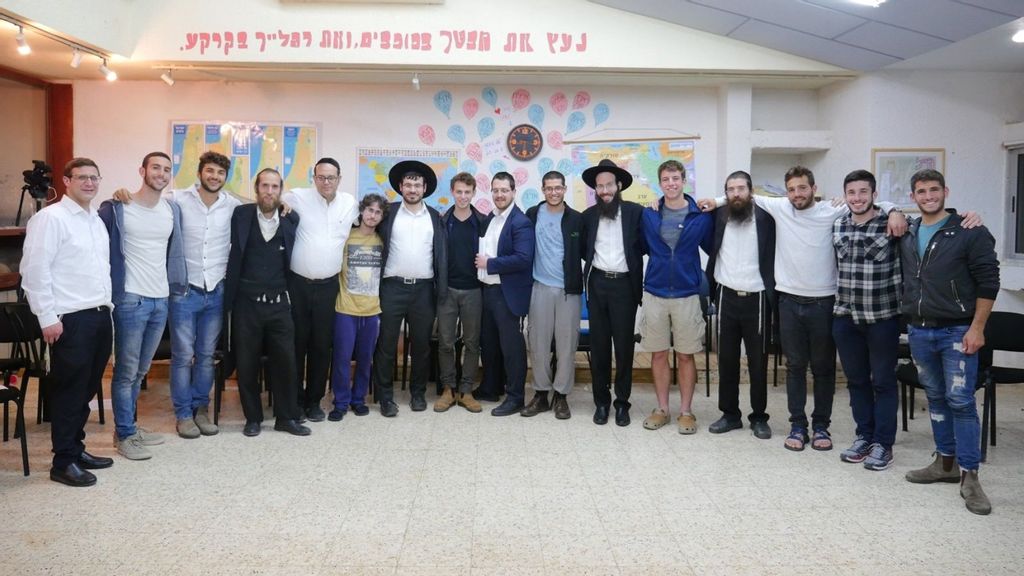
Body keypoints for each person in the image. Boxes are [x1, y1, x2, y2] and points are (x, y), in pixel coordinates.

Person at [700, 166, 906, 451]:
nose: (797, 194)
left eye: (803, 188)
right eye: (793, 189)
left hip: (811, 301)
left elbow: (867, 204)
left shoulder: (825, 211)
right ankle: (780, 423)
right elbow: (734, 200)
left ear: (814, 188)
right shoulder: (763, 209)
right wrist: (716, 200)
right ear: (787, 192)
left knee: (817, 367)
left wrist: (895, 210)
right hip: (775, 300)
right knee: (787, 365)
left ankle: (810, 424)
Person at [901, 169, 999, 516]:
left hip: (958, 331)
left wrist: (977, 328)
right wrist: (896, 214)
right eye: (921, 192)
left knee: (961, 401)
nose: (928, 196)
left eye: (934, 190)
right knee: (937, 398)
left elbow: (989, 282)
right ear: (912, 197)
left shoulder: (970, 231)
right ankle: (945, 463)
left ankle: (970, 475)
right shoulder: (909, 232)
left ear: (946, 191)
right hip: (920, 330)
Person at [22, 157, 114, 486]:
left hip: (100, 314)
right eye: (81, 178)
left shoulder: (95, 220)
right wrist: (46, 317)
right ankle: (63, 462)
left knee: (87, 390)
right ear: (66, 181)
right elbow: (34, 271)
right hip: (70, 319)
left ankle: (76, 448)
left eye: (94, 177)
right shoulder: (51, 219)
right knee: (69, 392)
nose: (89, 183)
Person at [100, 152, 186, 459]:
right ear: (142, 170)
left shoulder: (171, 210)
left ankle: (130, 427)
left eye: (166, 169)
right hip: (130, 299)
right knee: (125, 372)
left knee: (141, 371)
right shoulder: (119, 206)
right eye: (155, 168)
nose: (161, 174)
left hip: (160, 299)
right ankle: (124, 436)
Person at [224, 168, 310, 437]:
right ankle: (253, 418)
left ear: (281, 190)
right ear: (256, 188)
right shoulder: (240, 215)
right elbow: (223, 194)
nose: (269, 191)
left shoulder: (291, 219)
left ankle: (286, 417)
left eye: (274, 187)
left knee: (286, 362)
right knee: (247, 363)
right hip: (246, 305)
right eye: (264, 186)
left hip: (279, 305)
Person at [832, 170, 902, 471]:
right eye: (852, 193)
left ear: (874, 195)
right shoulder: (837, 224)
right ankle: (864, 436)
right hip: (846, 316)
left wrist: (894, 209)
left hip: (882, 317)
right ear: (845, 195)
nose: (857, 198)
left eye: (863, 192)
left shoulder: (894, 224)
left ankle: (883, 445)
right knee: (857, 381)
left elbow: (922, 220)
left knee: (884, 382)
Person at [639, 160, 713, 435]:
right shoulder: (650, 215)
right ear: (660, 184)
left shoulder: (701, 216)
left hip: (687, 294)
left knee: (685, 355)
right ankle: (662, 409)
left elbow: (715, 248)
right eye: (666, 179)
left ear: (684, 181)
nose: (671, 183)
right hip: (655, 292)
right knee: (658, 354)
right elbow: (641, 246)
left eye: (675, 179)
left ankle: (686, 411)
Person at [284, 157, 358, 422]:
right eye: (321, 177)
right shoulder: (297, 197)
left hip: (329, 287)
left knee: (321, 346)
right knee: (296, 345)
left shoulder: (350, 203)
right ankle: (294, 401)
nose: (326, 182)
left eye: (331, 177)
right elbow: (269, 202)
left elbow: (372, 220)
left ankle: (314, 401)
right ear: (313, 178)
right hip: (298, 286)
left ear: (339, 178)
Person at [704, 170, 775, 440]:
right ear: (726, 193)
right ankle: (730, 414)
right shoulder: (719, 215)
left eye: (741, 188)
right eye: (731, 189)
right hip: (725, 295)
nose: (736, 194)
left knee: (758, 361)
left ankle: (758, 417)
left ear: (750, 190)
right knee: (726, 360)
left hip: (756, 297)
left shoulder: (767, 218)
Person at [373, 160, 447, 417]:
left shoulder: (437, 218)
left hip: (424, 291)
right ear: (400, 188)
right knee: (386, 344)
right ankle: (385, 397)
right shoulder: (388, 213)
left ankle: (417, 394)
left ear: (425, 188)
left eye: (417, 185)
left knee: (422, 346)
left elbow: (441, 257)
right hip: (392, 288)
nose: (412, 189)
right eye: (408, 184)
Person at [580, 159, 646, 426]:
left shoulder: (635, 213)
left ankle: (622, 403)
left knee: (624, 348)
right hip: (597, 285)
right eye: (600, 186)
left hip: (624, 287)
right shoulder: (587, 217)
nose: (605, 190)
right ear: (595, 189)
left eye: (609, 185)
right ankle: (601, 403)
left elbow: (645, 244)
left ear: (618, 186)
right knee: (599, 347)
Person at [522, 170, 583, 420]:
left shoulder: (576, 219)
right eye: (549, 188)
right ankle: (541, 394)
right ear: (543, 189)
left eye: (558, 187)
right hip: (539, 288)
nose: (553, 192)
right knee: (538, 344)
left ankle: (561, 395)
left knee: (567, 347)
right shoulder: (532, 215)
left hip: (569, 291)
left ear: (565, 189)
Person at [474, 172, 536, 416]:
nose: (499, 195)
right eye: (495, 190)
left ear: (513, 192)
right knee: (489, 343)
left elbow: (523, 258)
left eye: (504, 190)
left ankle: (516, 396)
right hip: (487, 290)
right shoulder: (490, 218)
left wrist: (490, 263)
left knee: (511, 347)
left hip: (506, 292)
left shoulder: (521, 222)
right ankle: (491, 387)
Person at [328, 194, 387, 421]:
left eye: (378, 212)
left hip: (372, 311)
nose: (373, 215)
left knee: (366, 358)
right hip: (345, 309)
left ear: (382, 217)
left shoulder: (382, 242)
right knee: (342, 358)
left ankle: (358, 399)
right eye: (370, 210)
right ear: (362, 212)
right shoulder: (346, 238)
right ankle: (340, 402)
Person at [434, 172, 485, 414]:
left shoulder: (482, 222)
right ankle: (448, 389)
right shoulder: (443, 222)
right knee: (445, 342)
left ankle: (466, 391)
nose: (463, 196)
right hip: (447, 290)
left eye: (468, 192)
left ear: (474, 193)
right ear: (452, 192)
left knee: (472, 343)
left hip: (474, 291)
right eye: (459, 192)